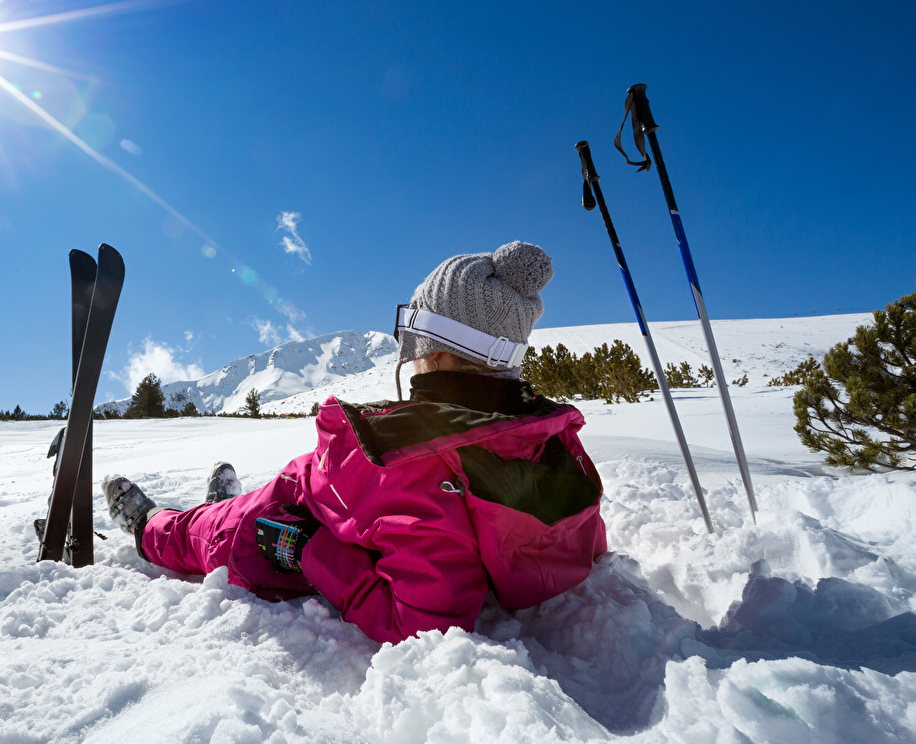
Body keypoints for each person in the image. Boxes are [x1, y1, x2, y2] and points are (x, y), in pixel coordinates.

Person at [103, 241, 608, 644]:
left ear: (434, 352)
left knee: (214, 531)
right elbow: (576, 538)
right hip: (328, 508)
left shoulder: (422, 461)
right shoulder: (545, 438)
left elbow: (421, 626)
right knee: (230, 515)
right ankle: (215, 507)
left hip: (287, 520)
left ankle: (148, 525)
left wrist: (306, 549)